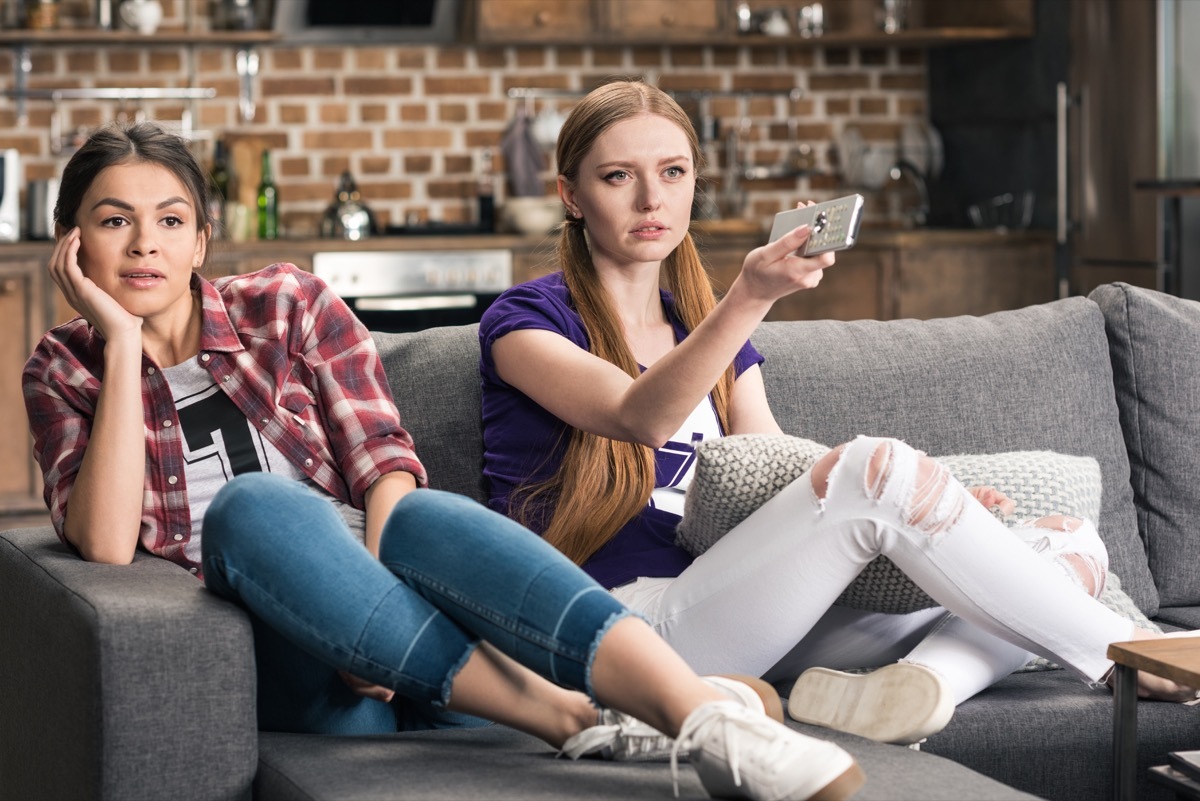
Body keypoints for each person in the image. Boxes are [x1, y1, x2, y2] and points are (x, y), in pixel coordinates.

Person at [21, 121, 867, 801]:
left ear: (203, 239)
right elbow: (102, 543)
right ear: (74, 245)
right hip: (263, 627)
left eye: (169, 220)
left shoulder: (286, 301)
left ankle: (700, 718)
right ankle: (578, 714)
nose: (144, 245)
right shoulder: (64, 370)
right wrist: (124, 346)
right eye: (113, 220)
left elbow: (383, 463)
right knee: (256, 507)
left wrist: (361, 601)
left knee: (419, 513)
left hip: (382, 610)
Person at [478, 80, 1198, 747]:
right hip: (625, 630)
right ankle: (1127, 659)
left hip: (753, 615)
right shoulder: (525, 324)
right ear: (571, 195)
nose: (651, 200)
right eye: (617, 177)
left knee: (1068, 544)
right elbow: (639, 415)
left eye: (672, 172)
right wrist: (749, 299)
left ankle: (919, 689)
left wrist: (936, 510)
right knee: (875, 468)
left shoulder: (703, 328)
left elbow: (777, 479)